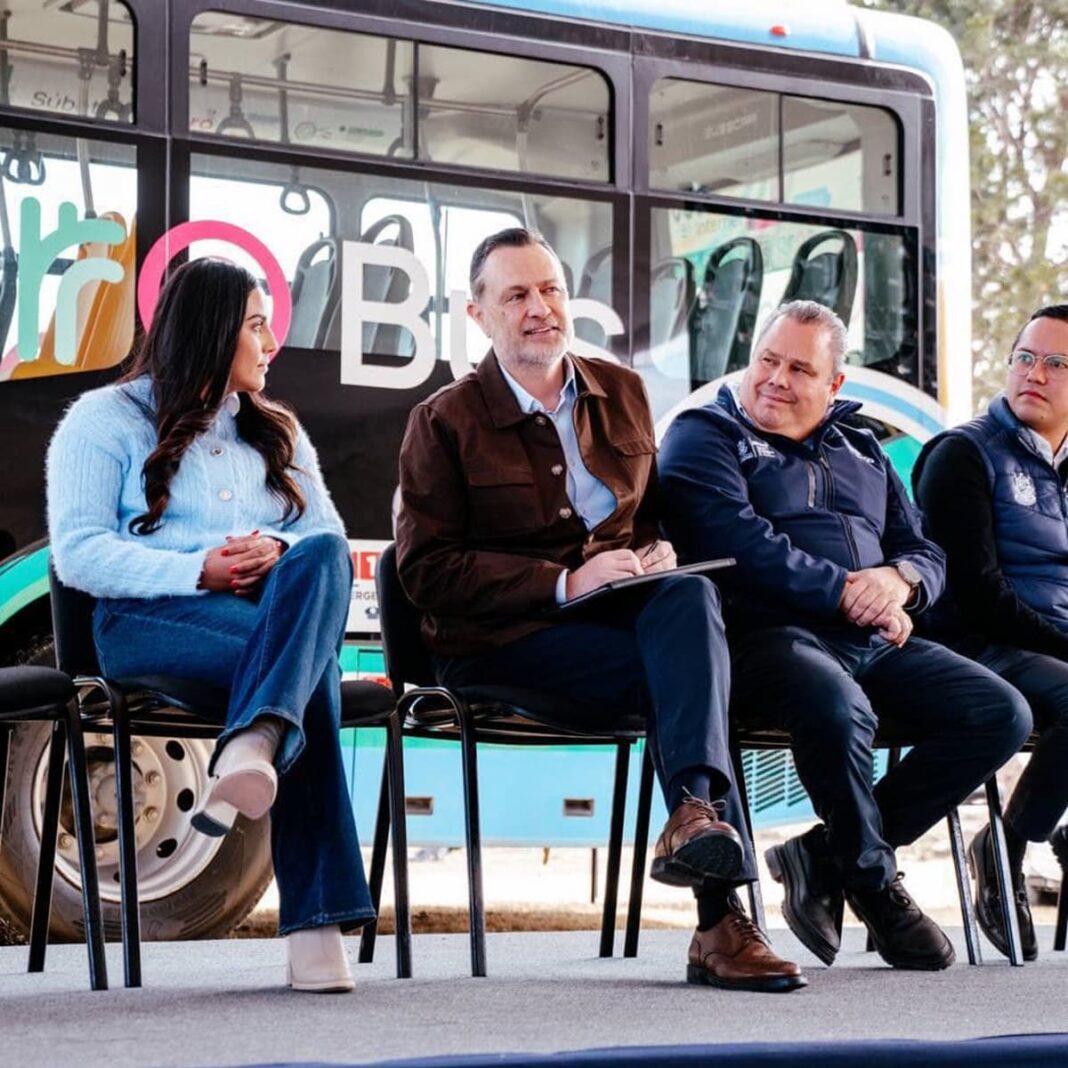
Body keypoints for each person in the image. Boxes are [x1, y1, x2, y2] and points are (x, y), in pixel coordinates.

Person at [396, 227, 804, 992]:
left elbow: (642, 520)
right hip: (497, 645)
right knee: (691, 682)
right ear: (478, 314)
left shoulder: (621, 390)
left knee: (688, 604)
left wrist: (653, 555)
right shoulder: (444, 421)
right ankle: (722, 923)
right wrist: (564, 583)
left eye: (550, 289)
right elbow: (426, 572)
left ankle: (693, 820)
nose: (541, 309)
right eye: (516, 295)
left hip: (613, 628)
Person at [659, 299, 1032, 972]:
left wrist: (901, 583)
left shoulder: (861, 447)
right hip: (767, 637)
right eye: (767, 360)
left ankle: (821, 858)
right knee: (837, 703)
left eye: (799, 368)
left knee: (1000, 712)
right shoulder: (702, 435)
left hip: (872, 637)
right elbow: (739, 544)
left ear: (834, 385)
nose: (775, 379)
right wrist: (849, 592)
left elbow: (925, 549)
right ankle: (872, 881)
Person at [47, 258, 373, 993]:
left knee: (319, 554)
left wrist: (274, 551)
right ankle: (316, 926)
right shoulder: (103, 420)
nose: (270, 344)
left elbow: (324, 540)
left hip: (261, 625)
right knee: (309, 673)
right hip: (147, 625)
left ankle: (253, 743)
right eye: (256, 325)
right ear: (214, 330)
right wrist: (203, 570)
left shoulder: (279, 429)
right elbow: (78, 555)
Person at [913, 304, 1068, 961]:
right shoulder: (963, 454)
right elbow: (976, 596)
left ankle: (1011, 844)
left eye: (1056, 363)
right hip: (974, 647)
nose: (1034, 373)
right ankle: (1005, 843)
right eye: (1025, 357)